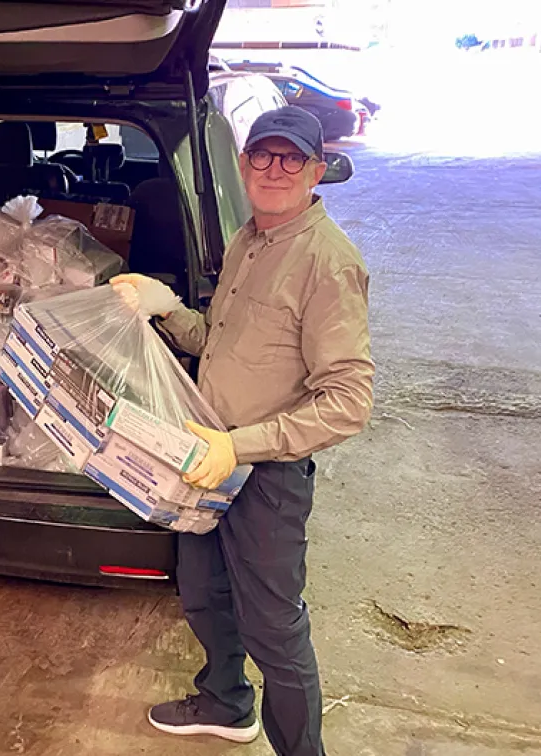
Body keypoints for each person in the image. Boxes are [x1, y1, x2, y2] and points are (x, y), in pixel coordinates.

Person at [112, 106, 374, 755]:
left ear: (316, 171)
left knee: (275, 632)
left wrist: (239, 444)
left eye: (291, 159)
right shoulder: (246, 238)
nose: (275, 169)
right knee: (202, 592)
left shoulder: (327, 262)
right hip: (208, 457)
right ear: (242, 165)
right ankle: (227, 703)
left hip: (267, 475)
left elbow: (349, 400)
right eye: (263, 155)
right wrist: (168, 309)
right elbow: (221, 344)